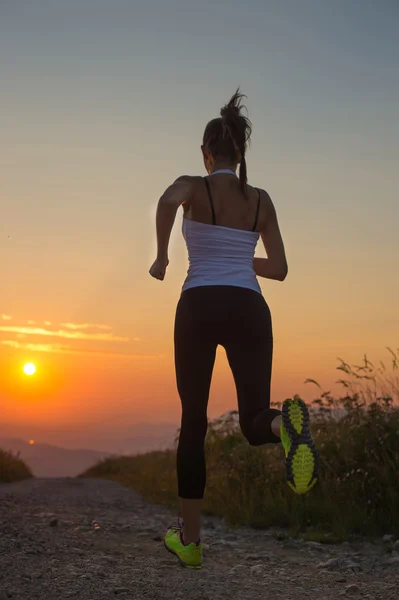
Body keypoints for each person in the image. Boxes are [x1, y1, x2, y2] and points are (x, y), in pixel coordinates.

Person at [149, 89, 318, 570]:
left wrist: (162, 255)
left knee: (194, 422)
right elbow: (281, 268)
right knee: (251, 420)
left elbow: (165, 201)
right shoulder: (260, 200)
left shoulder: (192, 186)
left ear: (207, 154)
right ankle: (285, 425)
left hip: (199, 304)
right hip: (248, 306)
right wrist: (241, 258)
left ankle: (192, 543)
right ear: (241, 153)